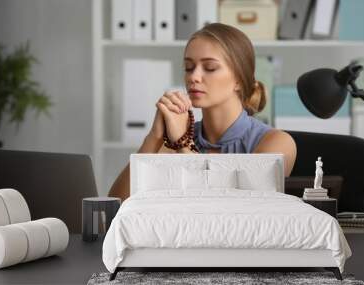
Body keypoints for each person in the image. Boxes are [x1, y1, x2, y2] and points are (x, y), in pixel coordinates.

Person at [108, 23, 297, 201]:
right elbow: (115, 208)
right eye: (189, 68)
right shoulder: (174, 141)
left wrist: (183, 145)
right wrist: (155, 136)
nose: (194, 77)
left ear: (239, 79)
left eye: (210, 68)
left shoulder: (277, 143)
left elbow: (234, 212)